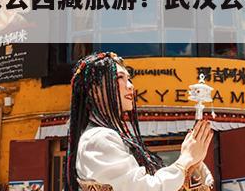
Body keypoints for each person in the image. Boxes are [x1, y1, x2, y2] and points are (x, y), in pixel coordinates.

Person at [66, 52, 214, 191]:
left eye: (129, 79)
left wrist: (192, 161)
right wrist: (185, 159)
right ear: (94, 90)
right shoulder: (99, 138)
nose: (130, 86)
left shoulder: (102, 136)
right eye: (119, 78)